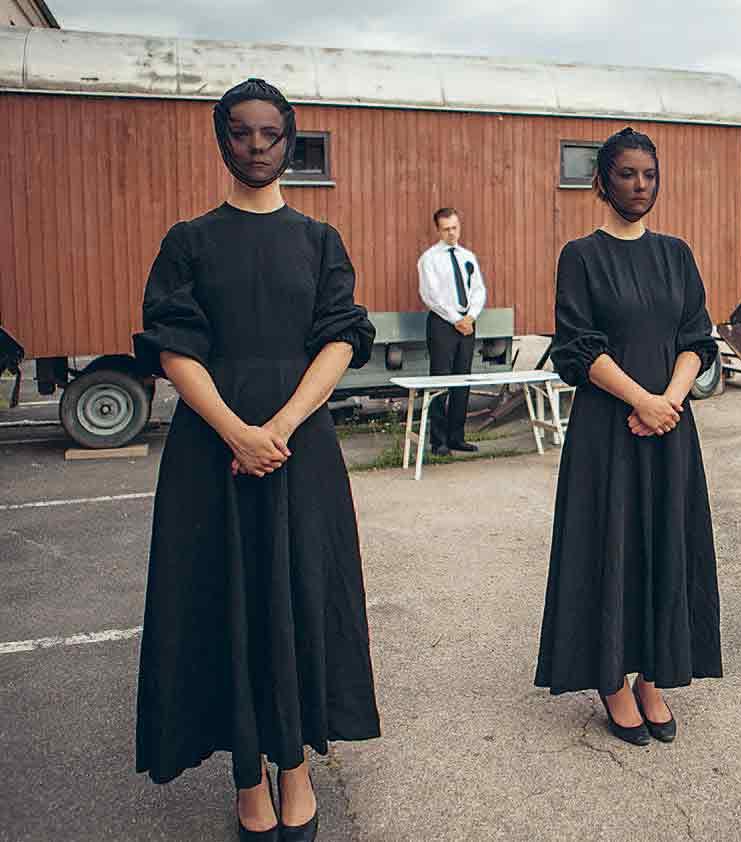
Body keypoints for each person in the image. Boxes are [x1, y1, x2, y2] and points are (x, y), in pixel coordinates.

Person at [133, 78, 380, 842]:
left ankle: (295, 764)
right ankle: (248, 776)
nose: (256, 146)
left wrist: (278, 426)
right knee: (225, 603)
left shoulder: (320, 241)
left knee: (300, 594)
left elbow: (340, 337)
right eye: (240, 132)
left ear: (289, 140)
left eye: (270, 133)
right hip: (211, 455)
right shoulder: (188, 242)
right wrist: (236, 432)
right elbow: (173, 346)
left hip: (300, 449)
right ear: (222, 140)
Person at [534, 127, 721, 745]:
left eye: (649, 175)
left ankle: (653, 676)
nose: (640, 186)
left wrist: (668, 401)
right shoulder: (581, 256)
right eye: (626, 174)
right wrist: (640, 400)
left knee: (665, 545)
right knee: (611, 547)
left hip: (669, 426)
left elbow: (696, 337)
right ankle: (612, 679)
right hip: (608, 430)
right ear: (602, 181)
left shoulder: (676, 254)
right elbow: (577, 346)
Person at [418, 208, 487, 456]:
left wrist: (471, 316)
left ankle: (457, 437)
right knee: (440, 381)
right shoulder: (429, 259)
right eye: (446, 229)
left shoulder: (467, 256)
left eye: (455, 227)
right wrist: (456, 319)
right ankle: (438, 441)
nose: (451, 233)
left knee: (463, 380)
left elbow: (477, 289)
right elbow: (431, 295)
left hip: (467, 324)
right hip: (443, 324)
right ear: (438, 230)